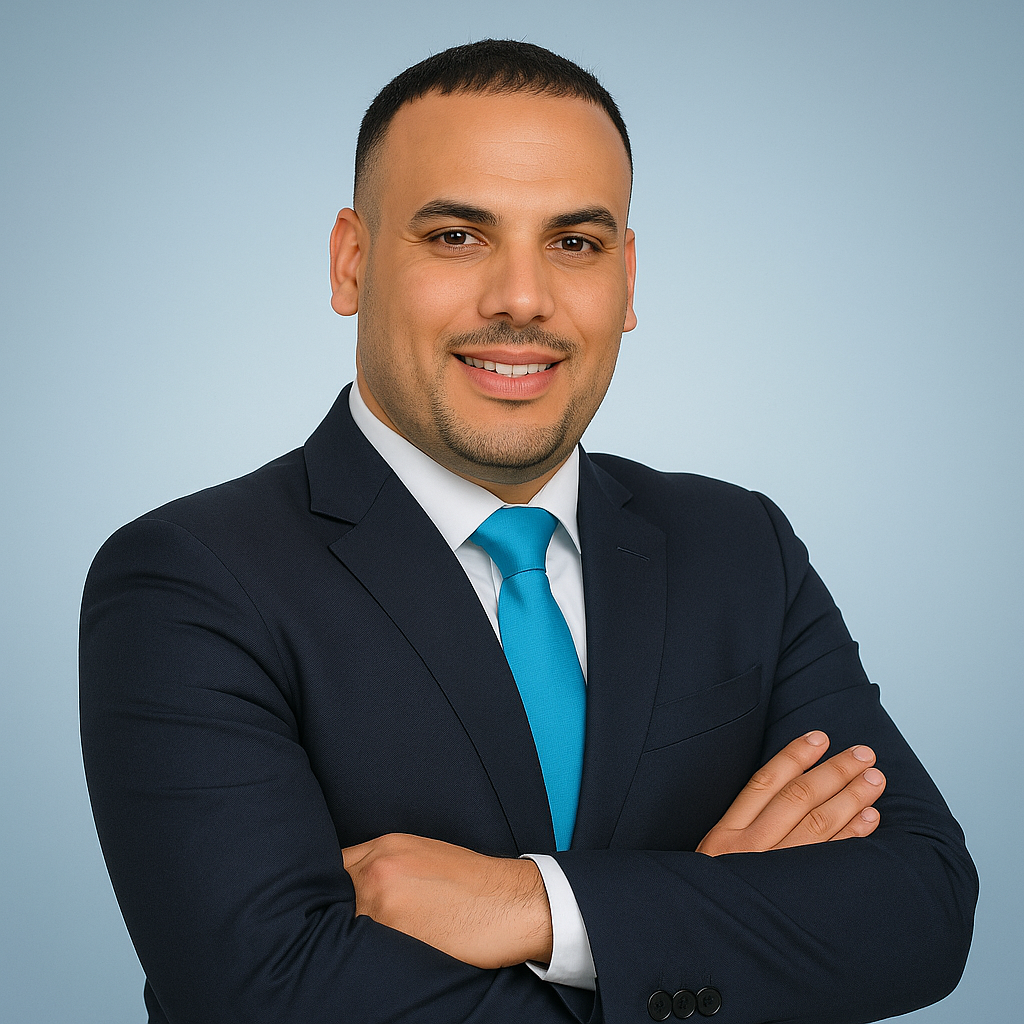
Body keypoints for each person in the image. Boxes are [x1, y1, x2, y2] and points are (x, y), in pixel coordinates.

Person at [80, 39, 976, 1024]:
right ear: (351, 261)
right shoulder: (189, 579)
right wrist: (707, 919)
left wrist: (538, 906)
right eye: (458, 236)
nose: (522, 298)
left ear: (626, 278)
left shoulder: (739, 545)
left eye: (574, 243)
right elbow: (269, 996)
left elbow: (922, 908)